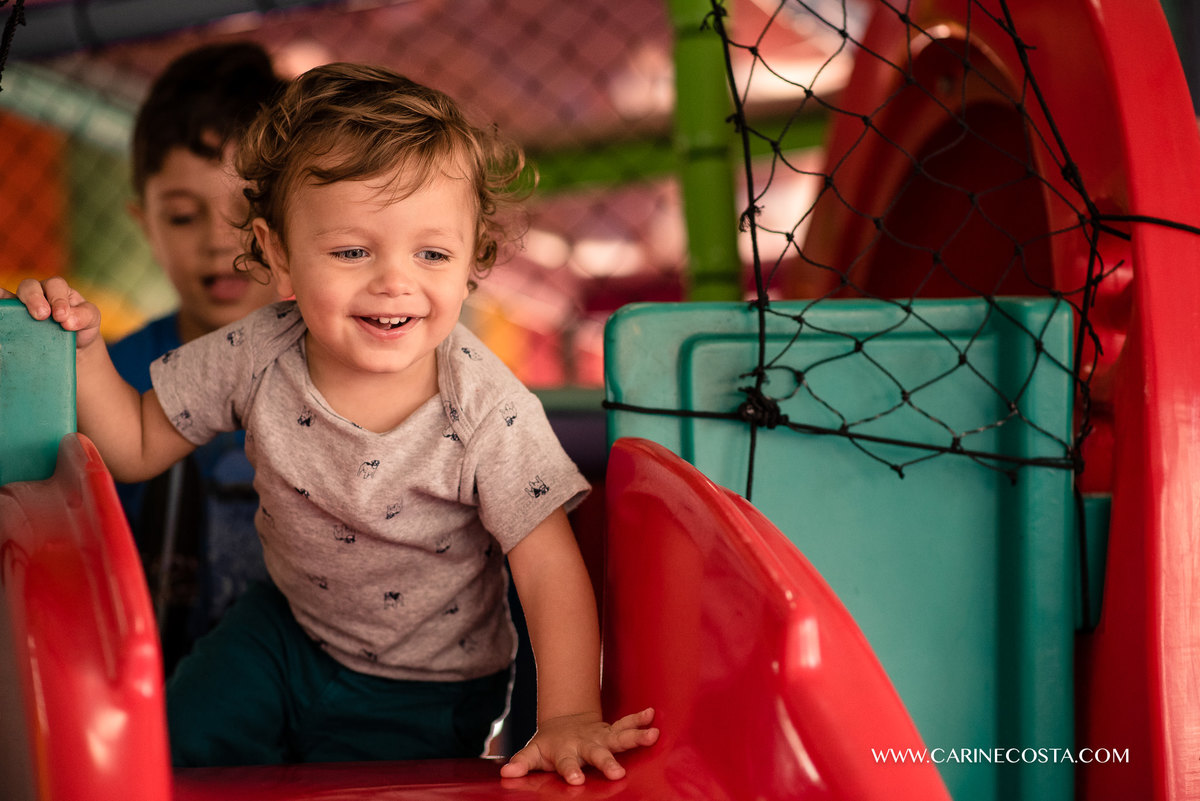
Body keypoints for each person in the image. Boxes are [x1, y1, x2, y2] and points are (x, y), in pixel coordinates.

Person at [5, 63, 658, 784]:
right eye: (352, 250)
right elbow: (130, 443)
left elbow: (548, 568)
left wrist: (566, 714)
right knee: (174, 747)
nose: (393, 279)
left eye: (432, 253)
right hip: (283, 633)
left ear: (473, 260)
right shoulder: (255, 351)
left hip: (427, 682)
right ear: (279, 254)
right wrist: (87, 349)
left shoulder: (485, 407)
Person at [111, 42, 284, 674]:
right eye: (184, 217)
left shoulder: (359, 366)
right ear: (144, 223)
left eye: (247, 211)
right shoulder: (110, 383)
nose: (218, 242)